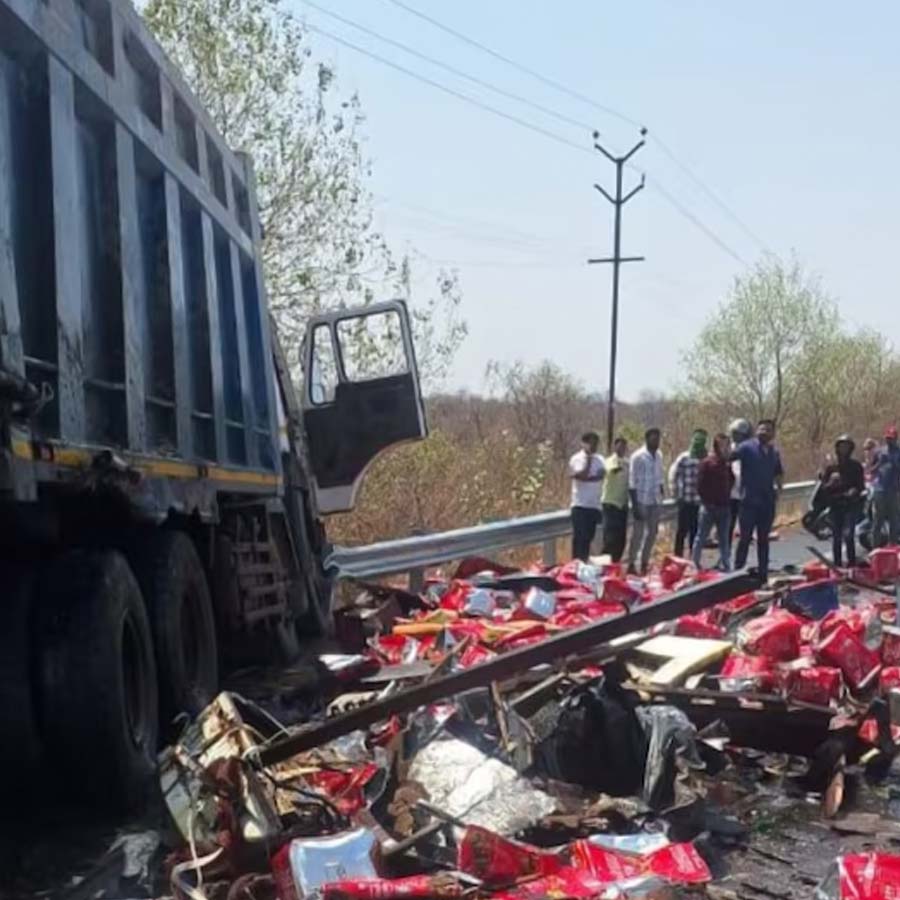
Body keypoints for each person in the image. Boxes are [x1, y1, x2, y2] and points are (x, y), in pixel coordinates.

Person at [732, 419, 784, 581]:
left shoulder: (773, 452)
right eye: (761, 429)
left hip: (767, 503)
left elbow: (779, 472)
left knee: (763, 539)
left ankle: (763, 573)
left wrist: (779, 488)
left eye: (768, 430)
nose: (764, 432)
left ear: (773, 434)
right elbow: (729, 458)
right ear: (756, 431)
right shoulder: (747, 447)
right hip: (748, 502)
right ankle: (737, 573)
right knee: (745, 538)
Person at [820, 435, 865, 568]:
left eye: (846, 446)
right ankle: (837, 565)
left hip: (850, 505)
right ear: (837, 448)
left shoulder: (856, 466)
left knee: (849, 534)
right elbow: (823, 489)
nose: (843, 449)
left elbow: (861, 486)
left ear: (851, 449)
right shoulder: (831, 467)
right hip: (835, 505)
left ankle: (851, 564)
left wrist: (854, 491)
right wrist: (830, 483)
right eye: (841, 446)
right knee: (836, 537)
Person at [692, 433, 735, 571]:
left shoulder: (727, 464)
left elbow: (732, 480)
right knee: (701, 537)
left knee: (724, 538)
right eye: (722, 444)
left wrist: (727, 495)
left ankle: (726, 564)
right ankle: (695, 563)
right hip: (709, 507)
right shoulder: (707, 463)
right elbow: (699, 485)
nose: (725, 448)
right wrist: (707, 501)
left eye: (727, 444)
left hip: (724, 507)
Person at [628, 428, 665, 575]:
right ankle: (631, 563)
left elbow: (659, 476)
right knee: (637, 533)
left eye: (658, 439)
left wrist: (662, 492)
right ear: (647, 438)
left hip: (655, 499)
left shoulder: (659, 455)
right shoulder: (638, 456)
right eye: (654, 438)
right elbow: (631, 482)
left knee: (652, 533)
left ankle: (644, 562)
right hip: (641, 500)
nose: (656, 442)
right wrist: (635, 504)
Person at [669, 429, 707, 558]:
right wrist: (675, 494)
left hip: (700, 502)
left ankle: (693, 559)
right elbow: (673, 475)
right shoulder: (684, 457)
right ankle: (677, 558)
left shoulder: (706, 458)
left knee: (696, 532)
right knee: (681, 532)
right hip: (685, 500)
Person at [569, 431, 605, 561]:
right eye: (591, 443)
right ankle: (576, 565)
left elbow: (601, 475)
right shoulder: (576, 458)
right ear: (584, 444)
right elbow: (581, 476)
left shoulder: (600, 459)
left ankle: (584, 563)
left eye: (596, 443)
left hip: (594, 505)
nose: (594, 446)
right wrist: (588, 461)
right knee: (580, 538)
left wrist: (590, 477)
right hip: (580, 505)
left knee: (588, 538)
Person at [601, 436, 630, 562]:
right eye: (619, 445)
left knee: (621, 539)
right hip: (610, 504)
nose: (621, 448)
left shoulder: (628, 463)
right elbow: (610, 470)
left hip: (622, 505)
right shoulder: (609, 461)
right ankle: (604, 565)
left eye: (624, 446)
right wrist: (618, 468)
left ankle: (615, 565)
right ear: (615, 447)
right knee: (609, 539)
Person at [871, 425, 900, 547]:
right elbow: (871, 470)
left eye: (892, 438)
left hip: (894, 490)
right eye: (888, 438)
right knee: (878, 519)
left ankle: (893, 544)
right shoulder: (879, 452)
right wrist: (879, 464)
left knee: (894, 518)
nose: (890, 441)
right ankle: (875, 546)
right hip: (880, 488)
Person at [728, 418, 753, 545]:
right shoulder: (729, 449)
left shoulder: (751, 449)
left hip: (746, 494)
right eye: (733, 433)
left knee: (745, 527)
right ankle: (725, 556)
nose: (734, 436)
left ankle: (741, 556)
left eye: (737, 434)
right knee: (728, 526)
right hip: (730, 493)